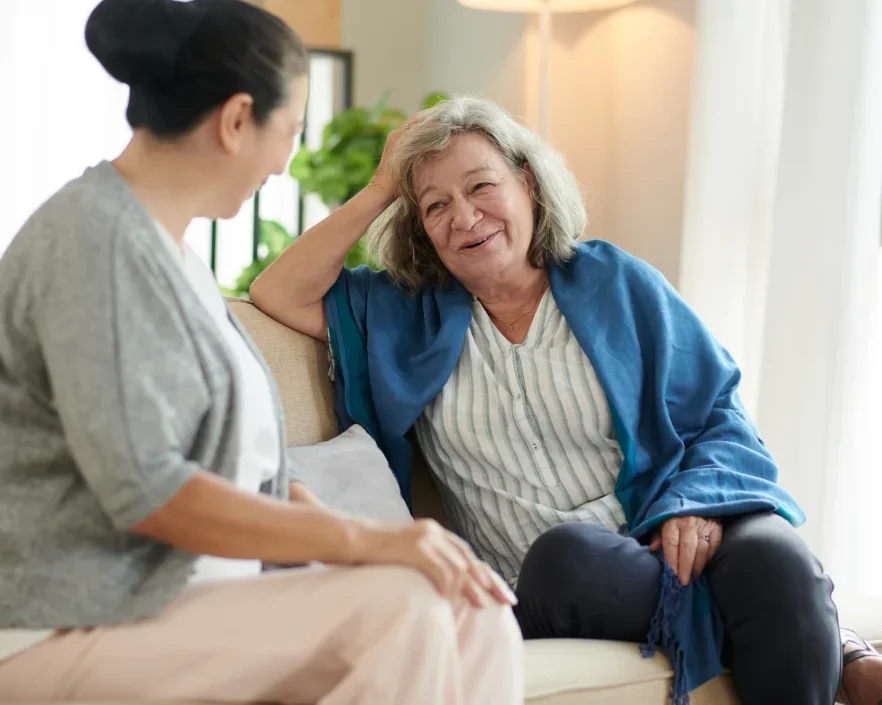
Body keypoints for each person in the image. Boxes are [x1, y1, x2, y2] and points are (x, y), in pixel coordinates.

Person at [251, 95, 882, 705]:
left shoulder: (615, 281)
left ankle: (793, 624)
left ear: (527, 182)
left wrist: (696, 506)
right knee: (567, 554)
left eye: (481, 187)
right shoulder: (396, 314)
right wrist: (383, 185)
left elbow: (718, 412)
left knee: (776, 556)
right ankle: (833, 647)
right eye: (435, 205)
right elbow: (279, 291)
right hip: (563, 577)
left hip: (667, 533)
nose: (465, 217)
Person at [0, 4, 524, 705]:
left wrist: (396, 538)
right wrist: (364, 544)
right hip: (70, 618)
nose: (284, 164)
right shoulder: (93, 241)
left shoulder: (175, 258)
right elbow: (148, 490)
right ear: (237, 118)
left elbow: (259, 480)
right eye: (291, 133)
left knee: (474, 606)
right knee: (398, 607)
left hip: (190, 606)